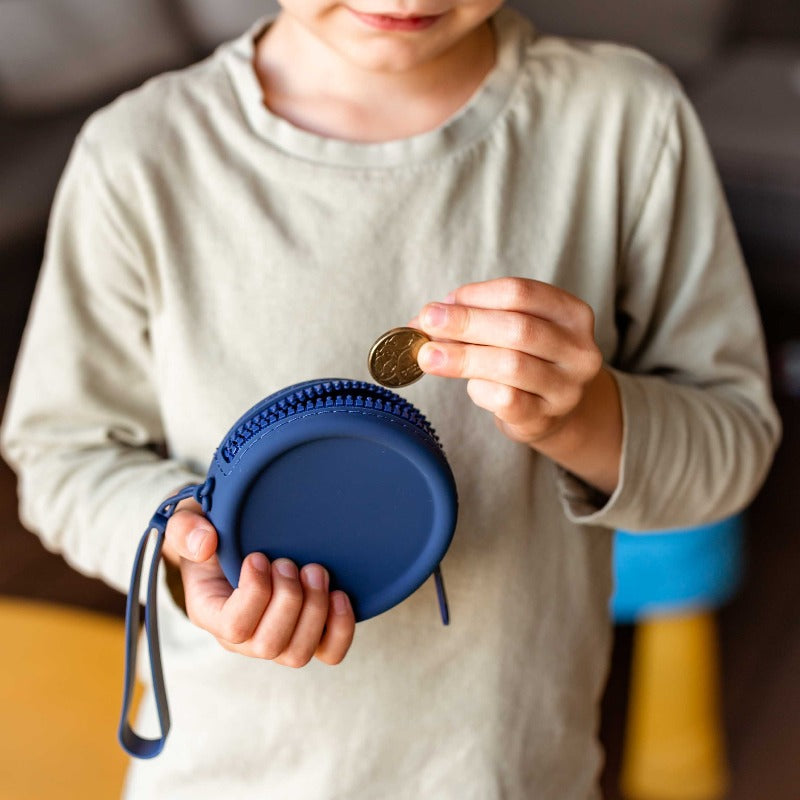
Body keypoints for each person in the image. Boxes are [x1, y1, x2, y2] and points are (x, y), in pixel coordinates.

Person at [0, 0, 781, 796]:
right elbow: (62, 454)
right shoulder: (141, 155)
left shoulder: (624, 122)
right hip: (229, 771)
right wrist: (185, 545)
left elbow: (732, 446)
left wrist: (584, 417)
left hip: (509, 774)